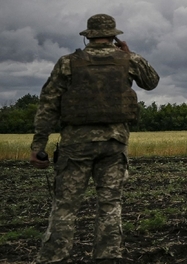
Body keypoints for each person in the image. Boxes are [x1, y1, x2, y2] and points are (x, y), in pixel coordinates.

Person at [29, 14, 160, 263]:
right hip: (114, 142)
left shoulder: (68, 62)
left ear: (88, 35)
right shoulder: (129, 60)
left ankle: (55, 258)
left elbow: (48, 104)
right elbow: (151, 82)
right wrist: (129, 53)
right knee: (110, 203)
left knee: (66, 204)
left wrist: (39, 145)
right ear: (114, 36)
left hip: (76, 144)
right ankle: (108, 256)